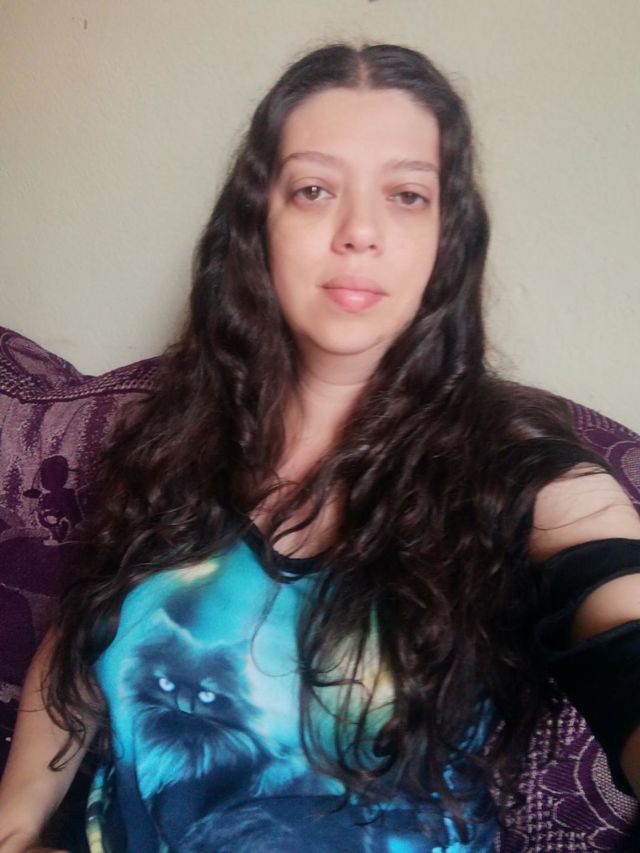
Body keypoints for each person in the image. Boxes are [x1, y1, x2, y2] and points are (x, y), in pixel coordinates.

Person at [1, 42, 639, 853]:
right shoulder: (169, 442)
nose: (360, 231)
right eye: (314, 189)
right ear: (258, 223)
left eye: (407, 195)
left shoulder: (536, 484)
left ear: (447, 238)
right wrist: (15, 824)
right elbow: (83, 639)